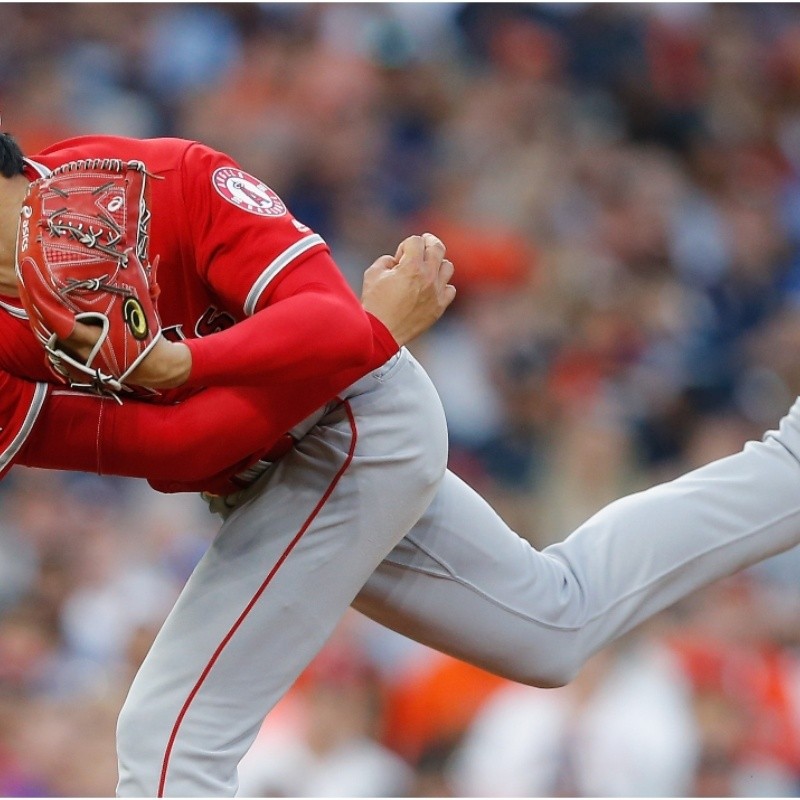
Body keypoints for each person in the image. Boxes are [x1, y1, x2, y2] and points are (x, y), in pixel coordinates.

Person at [4, 131, 800, 797]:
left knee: (169, 736)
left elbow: (319, 312)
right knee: (556, 626)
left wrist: (203, 363)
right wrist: (355, 337)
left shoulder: (166, 176)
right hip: (288, 449)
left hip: (359, 421)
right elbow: (177, 446)